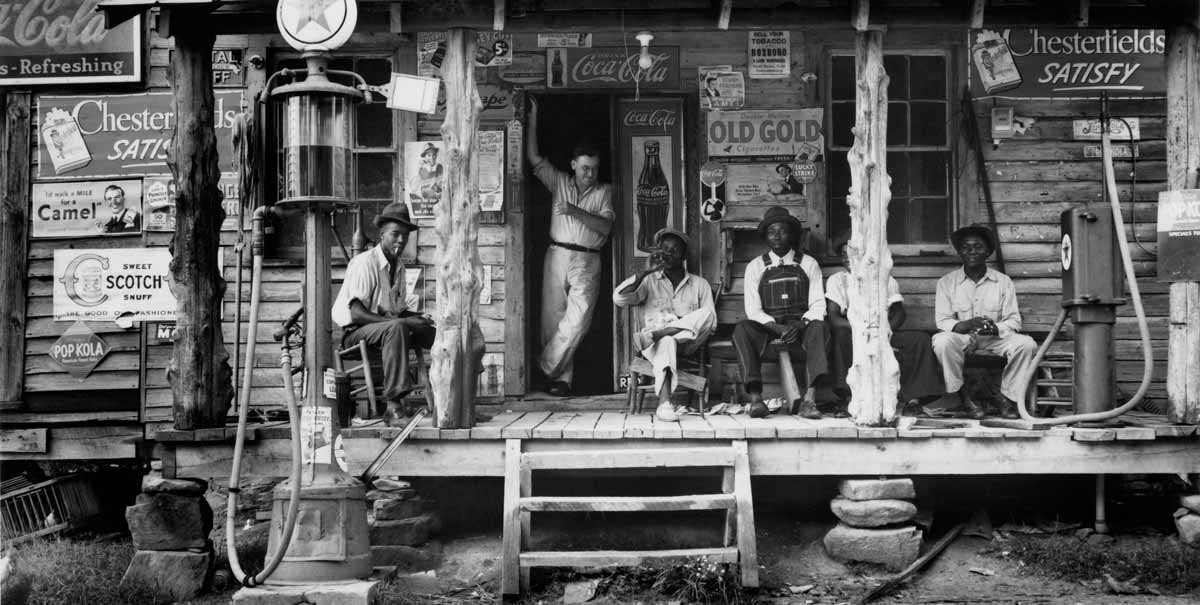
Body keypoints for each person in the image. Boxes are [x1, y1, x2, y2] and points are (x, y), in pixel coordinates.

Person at [526, 97, 615, 397]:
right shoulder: (561, 181)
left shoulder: (605, 191)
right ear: (574, 165)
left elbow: (605, 226)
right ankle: (562, 380)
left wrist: (575, 211)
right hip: (557, 253)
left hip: (588, 258)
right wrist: (534, 116)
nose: (589, 174)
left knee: (577, 322)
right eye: (585, 168)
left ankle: (543, 367)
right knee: (552, 320)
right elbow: (534, 158)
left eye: (594, 169)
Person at [332, 202, 439, 426]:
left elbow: (396, 310)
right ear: (382, 234)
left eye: (405, 236)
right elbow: (357, 313)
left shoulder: (398, 266)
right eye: (395, 234)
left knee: (433, 332)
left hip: (384, 329)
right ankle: (393, 405)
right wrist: (402, 320)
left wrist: (417, 318)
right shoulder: (364, 262)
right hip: (355, 333)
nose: (401, 240)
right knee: (398, 327)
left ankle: (448, 396)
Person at [825, 234, 943, 416]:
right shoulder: (838, 280)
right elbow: (833, 318)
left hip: (883, 331)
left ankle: (913, 401)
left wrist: (883, 330)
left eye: (855, 255)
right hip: (853, 332)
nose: (849, 260)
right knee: (840, 335)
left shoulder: (884, 278)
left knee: (919, 340)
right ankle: (849, 398)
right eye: (844, 255)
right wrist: (859, 329)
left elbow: (899, 313)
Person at [732, 206, 830, 419]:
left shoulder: (808, 263)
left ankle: (809, 400)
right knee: (741, 329)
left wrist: (800, 324)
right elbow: (753, 310)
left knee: (820, 327)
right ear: (766, 237)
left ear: (792, 234)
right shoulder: (756, 266)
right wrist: (777, 327)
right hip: (769, 331)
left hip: (800, 332)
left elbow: (818, 305)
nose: (777, 236)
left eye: (782, 231)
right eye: (771, 231)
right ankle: (757, 399)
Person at [932, 224, 1037, 419]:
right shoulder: (946, 282)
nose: (972, 251)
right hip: (962, 338)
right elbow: (942, 320)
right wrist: (963, 325)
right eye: (966, 247)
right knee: (942, 341)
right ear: (959, 252)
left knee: (1026, 344)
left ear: (987, 252)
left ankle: (1007, 398)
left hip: (994, 339)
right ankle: (962, 396)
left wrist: (995, 328)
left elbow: (1014, 320)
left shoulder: (1003, 281)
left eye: (978, 247)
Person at [613, 228, 716, 422]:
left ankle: (661, 333)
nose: (668, 253)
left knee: (707, 314)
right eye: (664, 249)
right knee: (667, 341)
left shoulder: (699, 284)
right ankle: (665, 404)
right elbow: (619, 298)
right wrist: (645, 272)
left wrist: (674, 329)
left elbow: (711, 323)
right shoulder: (648, 281)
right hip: (654, 345)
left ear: (684, 255)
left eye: (675, 249)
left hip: (688, 344)